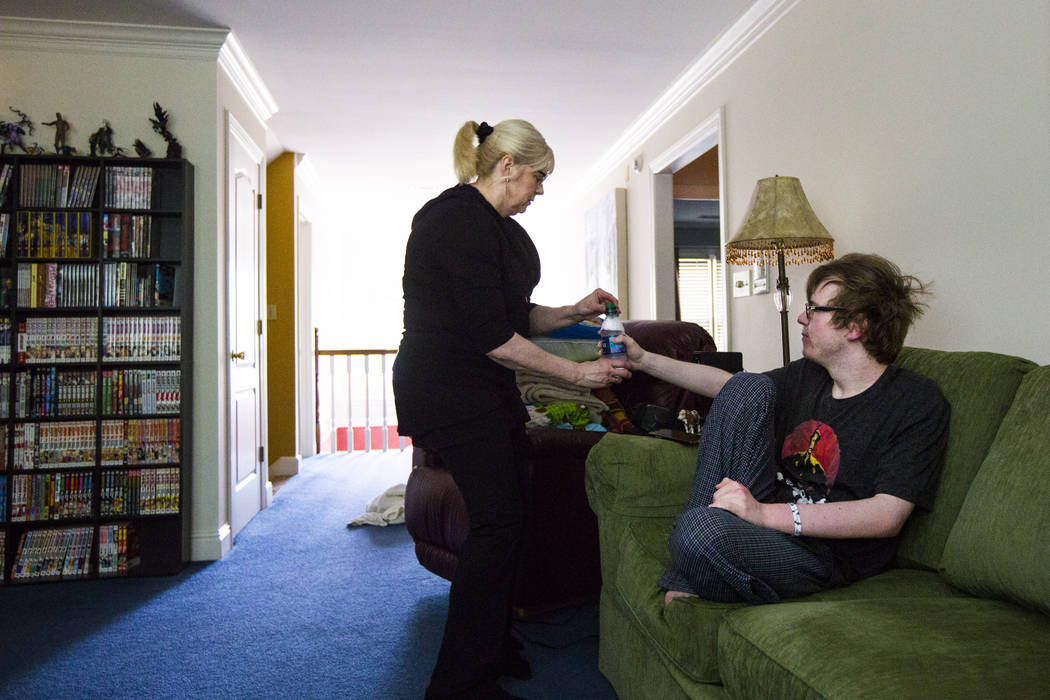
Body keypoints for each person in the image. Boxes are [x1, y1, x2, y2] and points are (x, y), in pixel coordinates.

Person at [392, 119, 631, 700]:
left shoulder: (500, 230)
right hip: (449, 386)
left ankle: (494, 646)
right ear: (506, 166)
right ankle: (458, 684)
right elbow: (489, 335)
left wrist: (574, 309)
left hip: (484, 387)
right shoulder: (450, 219)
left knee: (512, 516)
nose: (541, 190)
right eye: (538, 176)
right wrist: (580, 373)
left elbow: (516, 317)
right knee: (498, 523)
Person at [617, 253, 950, 606]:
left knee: (699, 532)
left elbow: (887, 516)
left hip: (824, 554)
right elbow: (728, 387)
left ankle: (692, 563)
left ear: (856, 327)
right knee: (746, 386)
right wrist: (643, 360)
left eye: (815, 309)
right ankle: (691, 567)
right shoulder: (808, 375)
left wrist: (763, 514)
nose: (802, 318)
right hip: (764, 517)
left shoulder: (915, 401)